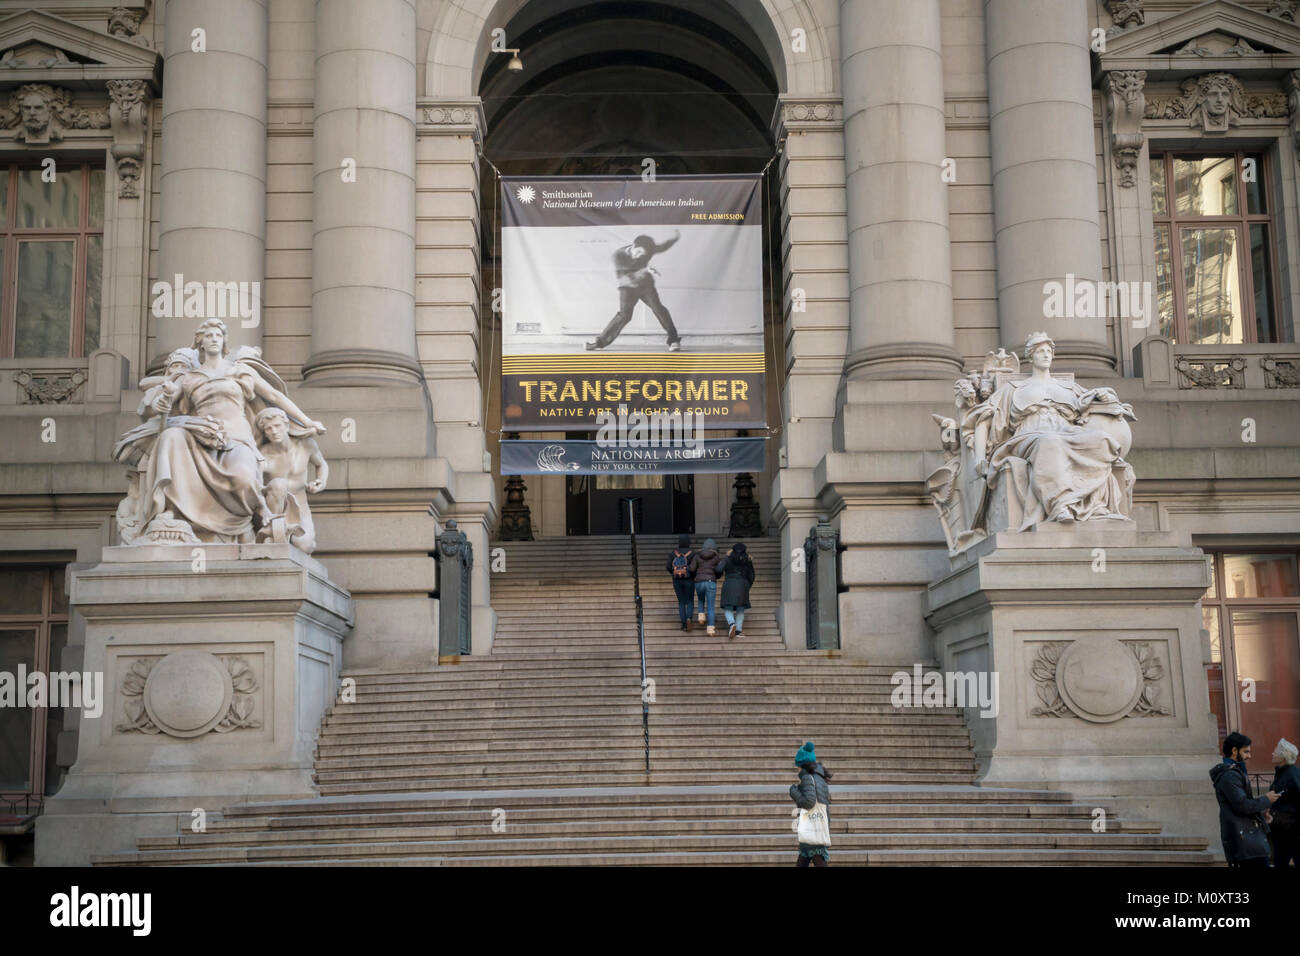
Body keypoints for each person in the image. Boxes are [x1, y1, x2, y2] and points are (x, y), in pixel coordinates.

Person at [586, 230, 682, 352]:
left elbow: (662, 247)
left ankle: (673, 340)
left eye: (644, 254)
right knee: (624, 316)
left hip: (646, 286)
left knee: (658, 308)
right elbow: (626, 275)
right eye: (638, 252)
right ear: (633, 246)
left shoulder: (647, 250)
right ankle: (599, 343)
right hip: (628, 287)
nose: (640, 255)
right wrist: (646, 269)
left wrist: (674, 238)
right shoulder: (618, 255)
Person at [1210, 731, 1280, 867]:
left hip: (1248, 841)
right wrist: (1266, 799)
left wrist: (1261, 815)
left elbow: (1242, 806)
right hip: (1245, 843)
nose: (1249, 756)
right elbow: (1242, 805)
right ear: (1234, 750)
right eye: (1246, 752)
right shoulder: (1229, 775)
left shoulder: (1235, 773)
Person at [789, 741, 832, 867]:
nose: (797, 768)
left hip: (812, 826)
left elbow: (809, 802)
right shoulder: (820, 777)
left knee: (818, 859)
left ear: (802, 765)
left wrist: (794, 792)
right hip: (818, 823)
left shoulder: (808, 778)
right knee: (804, 859)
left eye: (798, 765)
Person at [1268, 738, 1300, 869]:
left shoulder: (1292, 775)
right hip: (1282, 831)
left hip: (1292, 833)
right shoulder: (1283, 773)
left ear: (1283, 756)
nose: (1272, 753)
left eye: (1275, 751)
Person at [719, 542, 755, 640]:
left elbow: (718, 569)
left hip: (729, 584)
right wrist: (747, 585)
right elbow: (752, 575)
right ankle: (738, 631)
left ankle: (732, 624)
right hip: (743, 585)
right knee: (740, 608)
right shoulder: (748, 560)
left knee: (727, 606)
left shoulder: (727, 558)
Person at [688, 538, 724, 636]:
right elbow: (719, 570)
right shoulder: (716, 557)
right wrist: (716, 576)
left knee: (700, 599)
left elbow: (691, 569)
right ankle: (711, 629)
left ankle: (701, 616)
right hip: (710, 582)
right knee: (711, 607)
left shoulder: (697, 556)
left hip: (699, 581)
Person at [665, 533, 696, 632]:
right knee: (690, 601)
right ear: (688, 542)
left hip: (677, 581)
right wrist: (691, 575)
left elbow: (668, 566)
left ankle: (683, 624)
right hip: (689, 580)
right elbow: (694, 568)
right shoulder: (692, 553)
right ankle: (689, 619)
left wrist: (674, 574)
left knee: (681, 602)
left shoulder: (673, 553)